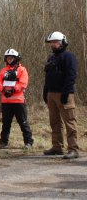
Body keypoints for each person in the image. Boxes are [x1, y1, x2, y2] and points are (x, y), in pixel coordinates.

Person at [43, 31, 79, 159]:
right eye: (52, 42)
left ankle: (73, 149)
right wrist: (45, 91)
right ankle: (57, 147)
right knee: (54, 122)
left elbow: (71, 75)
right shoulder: (51, 58)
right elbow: (48, 76)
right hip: (51, 94)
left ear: (63, 42)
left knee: (69, 122)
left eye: (56, 42)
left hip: (65, 94)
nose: (53, 44)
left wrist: (66, 92)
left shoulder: (68, 56)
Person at [0, 49, 33, 150]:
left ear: (16, 58)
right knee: (5, 123)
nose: (9, 59)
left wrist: (13, 90)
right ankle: (3, 142)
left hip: (18, 101)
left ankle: (28, 142)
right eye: (7, 58)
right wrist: (3, 89)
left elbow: (23, 83)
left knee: (23, 122)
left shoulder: (22, 70)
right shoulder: (3, 70)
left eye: (11, 58)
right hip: (6, 102)